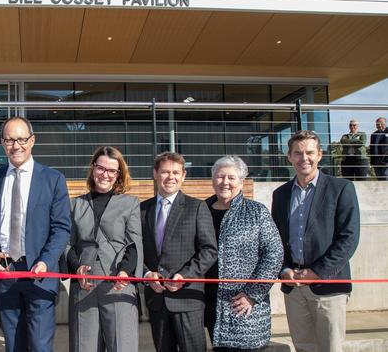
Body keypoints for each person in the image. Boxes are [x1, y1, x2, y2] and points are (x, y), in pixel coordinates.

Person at [0, 116, 71, 352]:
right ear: (2, 143)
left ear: (32, 140)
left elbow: (61, 228)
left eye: (21, 139)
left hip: (39, 274)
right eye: (9, 140)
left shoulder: (53, 179)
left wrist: (45, 261)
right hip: (5, 274)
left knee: (40, 346)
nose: (16, 145)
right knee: (13, 345)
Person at [271, 130, 360, 352]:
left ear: (320, 155)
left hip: (328, 286)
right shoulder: (280, 194)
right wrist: (283, 269)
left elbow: (348, 238)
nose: (304, 158)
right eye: (298, 153)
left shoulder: (341, 188)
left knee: (331, 348)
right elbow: (276, 240)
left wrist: (317, 272)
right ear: (289, 157)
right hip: (294, 287)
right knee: (303, 348)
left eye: (310, 152)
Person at [65, 146, 143, 352]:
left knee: (122, 346)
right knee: (84, 346)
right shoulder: (75, 205)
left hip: (118, 284)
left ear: (119, 175)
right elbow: (67, 244)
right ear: (93, 168)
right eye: (101, 168)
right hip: (84, 285)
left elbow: (134, 244)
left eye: (112, 171)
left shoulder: (130, 203)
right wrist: (76, 267)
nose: (105, 175)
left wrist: (125, 271)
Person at [204, 156, 283, 352]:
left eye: (231, 177)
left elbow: (274, 253)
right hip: (205, 303)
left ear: (242, 181)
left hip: (242, 305)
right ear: (213, 179)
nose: (225, 182)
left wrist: (252, 294)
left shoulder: (257, 212)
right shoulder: (200, 210)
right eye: (220, 176)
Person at [140, 152, 217, 352]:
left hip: (188, 298)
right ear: (155, 174)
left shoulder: (197, 207)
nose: (170, 177)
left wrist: (186, 275)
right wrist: (147, 274)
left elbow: (209, 250)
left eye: (176, 172)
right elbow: (135, 250)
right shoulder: (141, 210)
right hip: (156, 300)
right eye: (165, 172)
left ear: (183, 175)